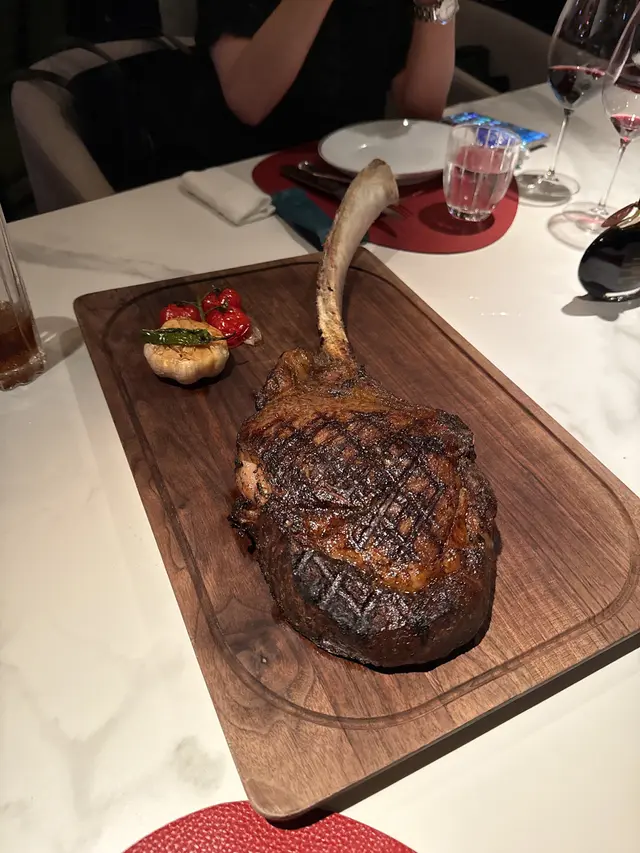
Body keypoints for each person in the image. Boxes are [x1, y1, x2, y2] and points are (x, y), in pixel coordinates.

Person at [196, 0, 457, 160]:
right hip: (239, 174)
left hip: (354, 165)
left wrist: (435, 5)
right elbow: (248, 102)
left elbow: (422, 113)